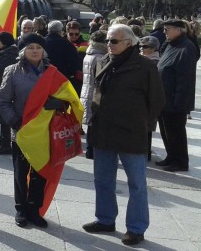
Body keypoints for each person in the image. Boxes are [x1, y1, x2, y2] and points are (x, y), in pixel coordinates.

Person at [82, 25, 165, 247]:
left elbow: (156, 100)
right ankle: (105, 219)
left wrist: (143, 124)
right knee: (103, 180)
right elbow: (96, 92)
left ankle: (136, 229)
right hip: (103, 131)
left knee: (137, 183)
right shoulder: (102, 61)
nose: (109, 44)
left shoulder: (145, 67)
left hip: (131, 133)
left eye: (114, 41)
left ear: (129, 43)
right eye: (108, 41)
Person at [0, 33, 53, 229]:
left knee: (40, 171)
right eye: (31, 48)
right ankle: (21, 208)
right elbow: (3, 102)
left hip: (44, 131)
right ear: (23, 51)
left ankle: (34, 209)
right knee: (21, 172)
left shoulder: (51, 72)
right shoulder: (12, 71)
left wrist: (58, 102)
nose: (35, 51)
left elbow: (65, 95)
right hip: (21, 130)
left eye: (38, 47)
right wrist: (15, 122)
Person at [156, 19, 197, 172]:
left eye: (168, 29)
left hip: (175, 100)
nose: (164, 32)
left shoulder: (186, 48)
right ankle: (171, 156)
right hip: (164, 97)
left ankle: (180, 161)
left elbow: (185, 79)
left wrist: (179, 102)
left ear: (179, 30)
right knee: (166, 131)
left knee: (176, 132)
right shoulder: (171, 45)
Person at [79, 30, 107, 159]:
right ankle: (92, 151)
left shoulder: (89, 53)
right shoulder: (100, 57)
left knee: (91, 124)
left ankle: (90, 150)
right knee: (95, 125)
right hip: (95, 93)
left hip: (87, 91)